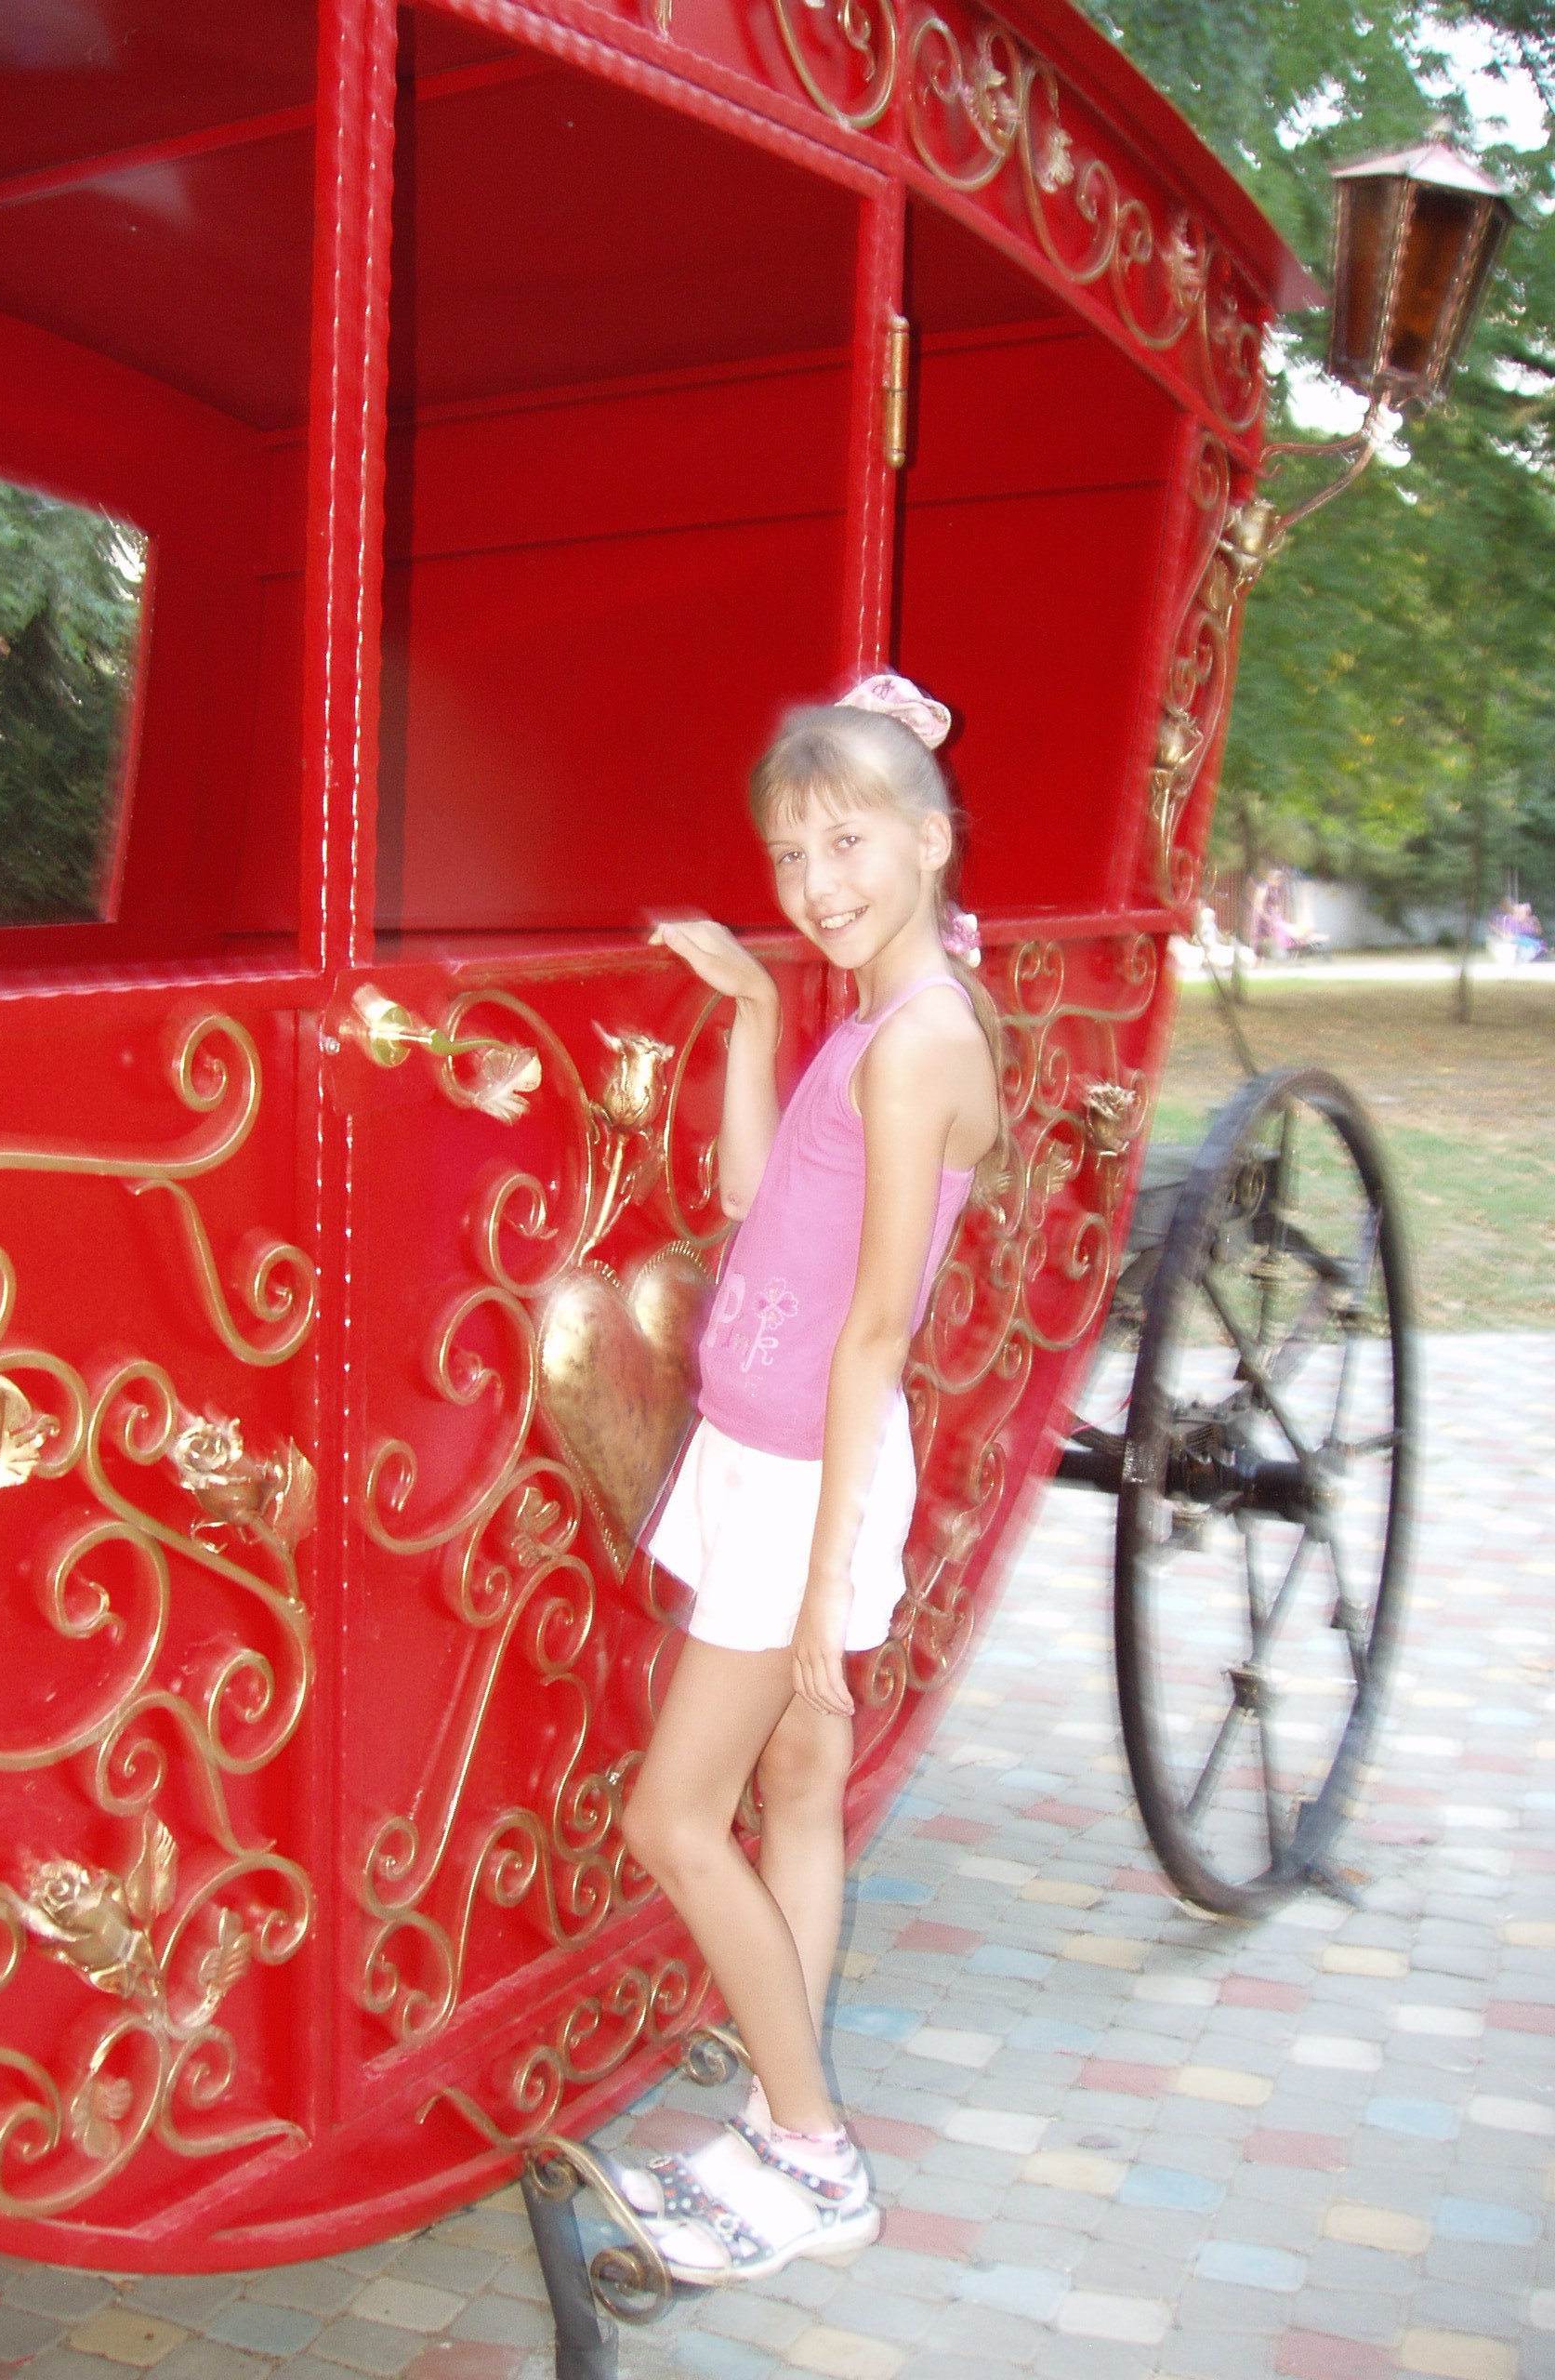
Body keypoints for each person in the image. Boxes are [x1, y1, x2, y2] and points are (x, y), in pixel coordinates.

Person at [615, 673, 1002, 2285]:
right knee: (791, 1788)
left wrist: (826, 1585)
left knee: (669, 1817)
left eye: (848, 842)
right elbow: (748, 1195)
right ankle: (786, 2127)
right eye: (790, 854)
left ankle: (814, 2149)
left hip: (802, 1479)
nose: (817, 882)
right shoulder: (867, 1021)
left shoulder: (923, 1045)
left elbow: (875, 1333)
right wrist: (755, 1015)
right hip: (764, 1454)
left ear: (928, 838)